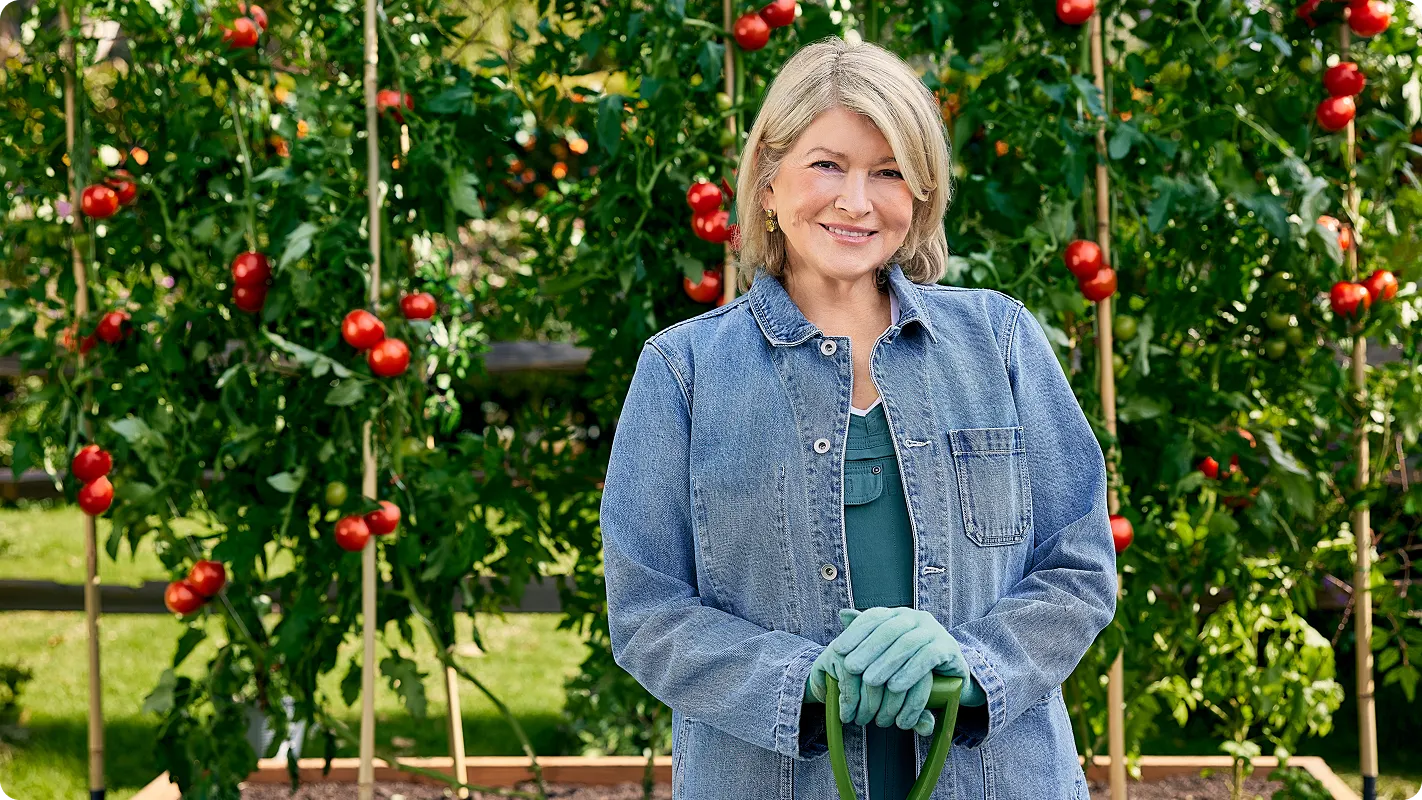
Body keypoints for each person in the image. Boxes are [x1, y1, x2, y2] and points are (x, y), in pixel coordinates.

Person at [600, 35, 1117, 800]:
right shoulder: (684, 373)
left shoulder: (1000, 342)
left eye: (888, 173)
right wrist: (803, 680)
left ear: (921, 195)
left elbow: (1079, 567)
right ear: (769, 184)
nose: (856, 200)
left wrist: (972, 668)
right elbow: (647, 613)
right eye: (827, 165)